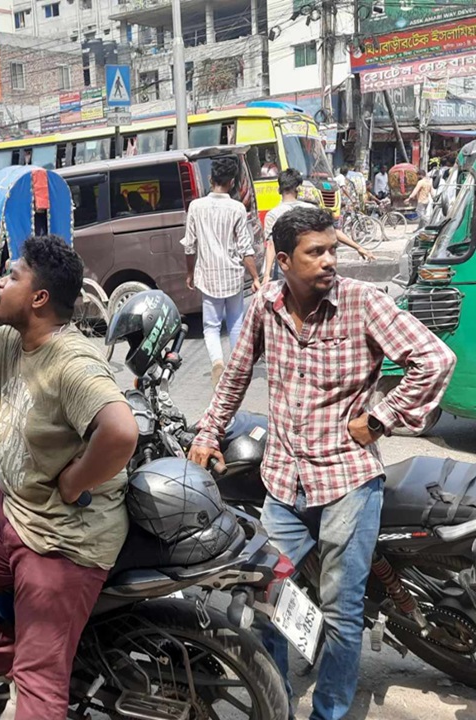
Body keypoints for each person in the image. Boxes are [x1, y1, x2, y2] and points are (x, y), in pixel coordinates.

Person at [188, 205, 454, 720]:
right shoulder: (265, 305)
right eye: (317, 252)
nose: (330, 260)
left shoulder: (362, 303)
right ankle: (277, 705)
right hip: (284, 485)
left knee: (341, 614)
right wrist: (208, 433)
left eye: (333, 249)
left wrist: (380, 419)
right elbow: (235, 377)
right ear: (284, 260)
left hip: (348, 483)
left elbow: (435, 359)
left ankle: (328, 712)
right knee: (268, 601)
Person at [0, 235, 138, 720]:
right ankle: (31, 670)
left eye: (12, 276)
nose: (1, 281)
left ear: (38, 298)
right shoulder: (16, 340)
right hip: (11, 506)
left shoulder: (70, 362)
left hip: (63, 535)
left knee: (38, 699)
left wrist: (75, 481)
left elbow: (120, 432)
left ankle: (41, 683)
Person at [181, 156, 261, 388]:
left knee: (211, 326)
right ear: (233, 182)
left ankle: (218, 363)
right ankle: (236, 369)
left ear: (210, 178)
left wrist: (190, 272)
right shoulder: (237, 208)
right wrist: (255, 277)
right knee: (236, 322)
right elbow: (246, 248)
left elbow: (189, 245)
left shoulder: (196, 206)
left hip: (208, 275)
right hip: (233, 275)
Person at [262, 169, 374, 282]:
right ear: (298, 189)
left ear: (279, 189)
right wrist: (358, 247)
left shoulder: (272, 215)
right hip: (311, 267)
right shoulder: (311, 209)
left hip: (285, 271)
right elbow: (333, 232)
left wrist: (267, 274)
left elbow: (271, 245)